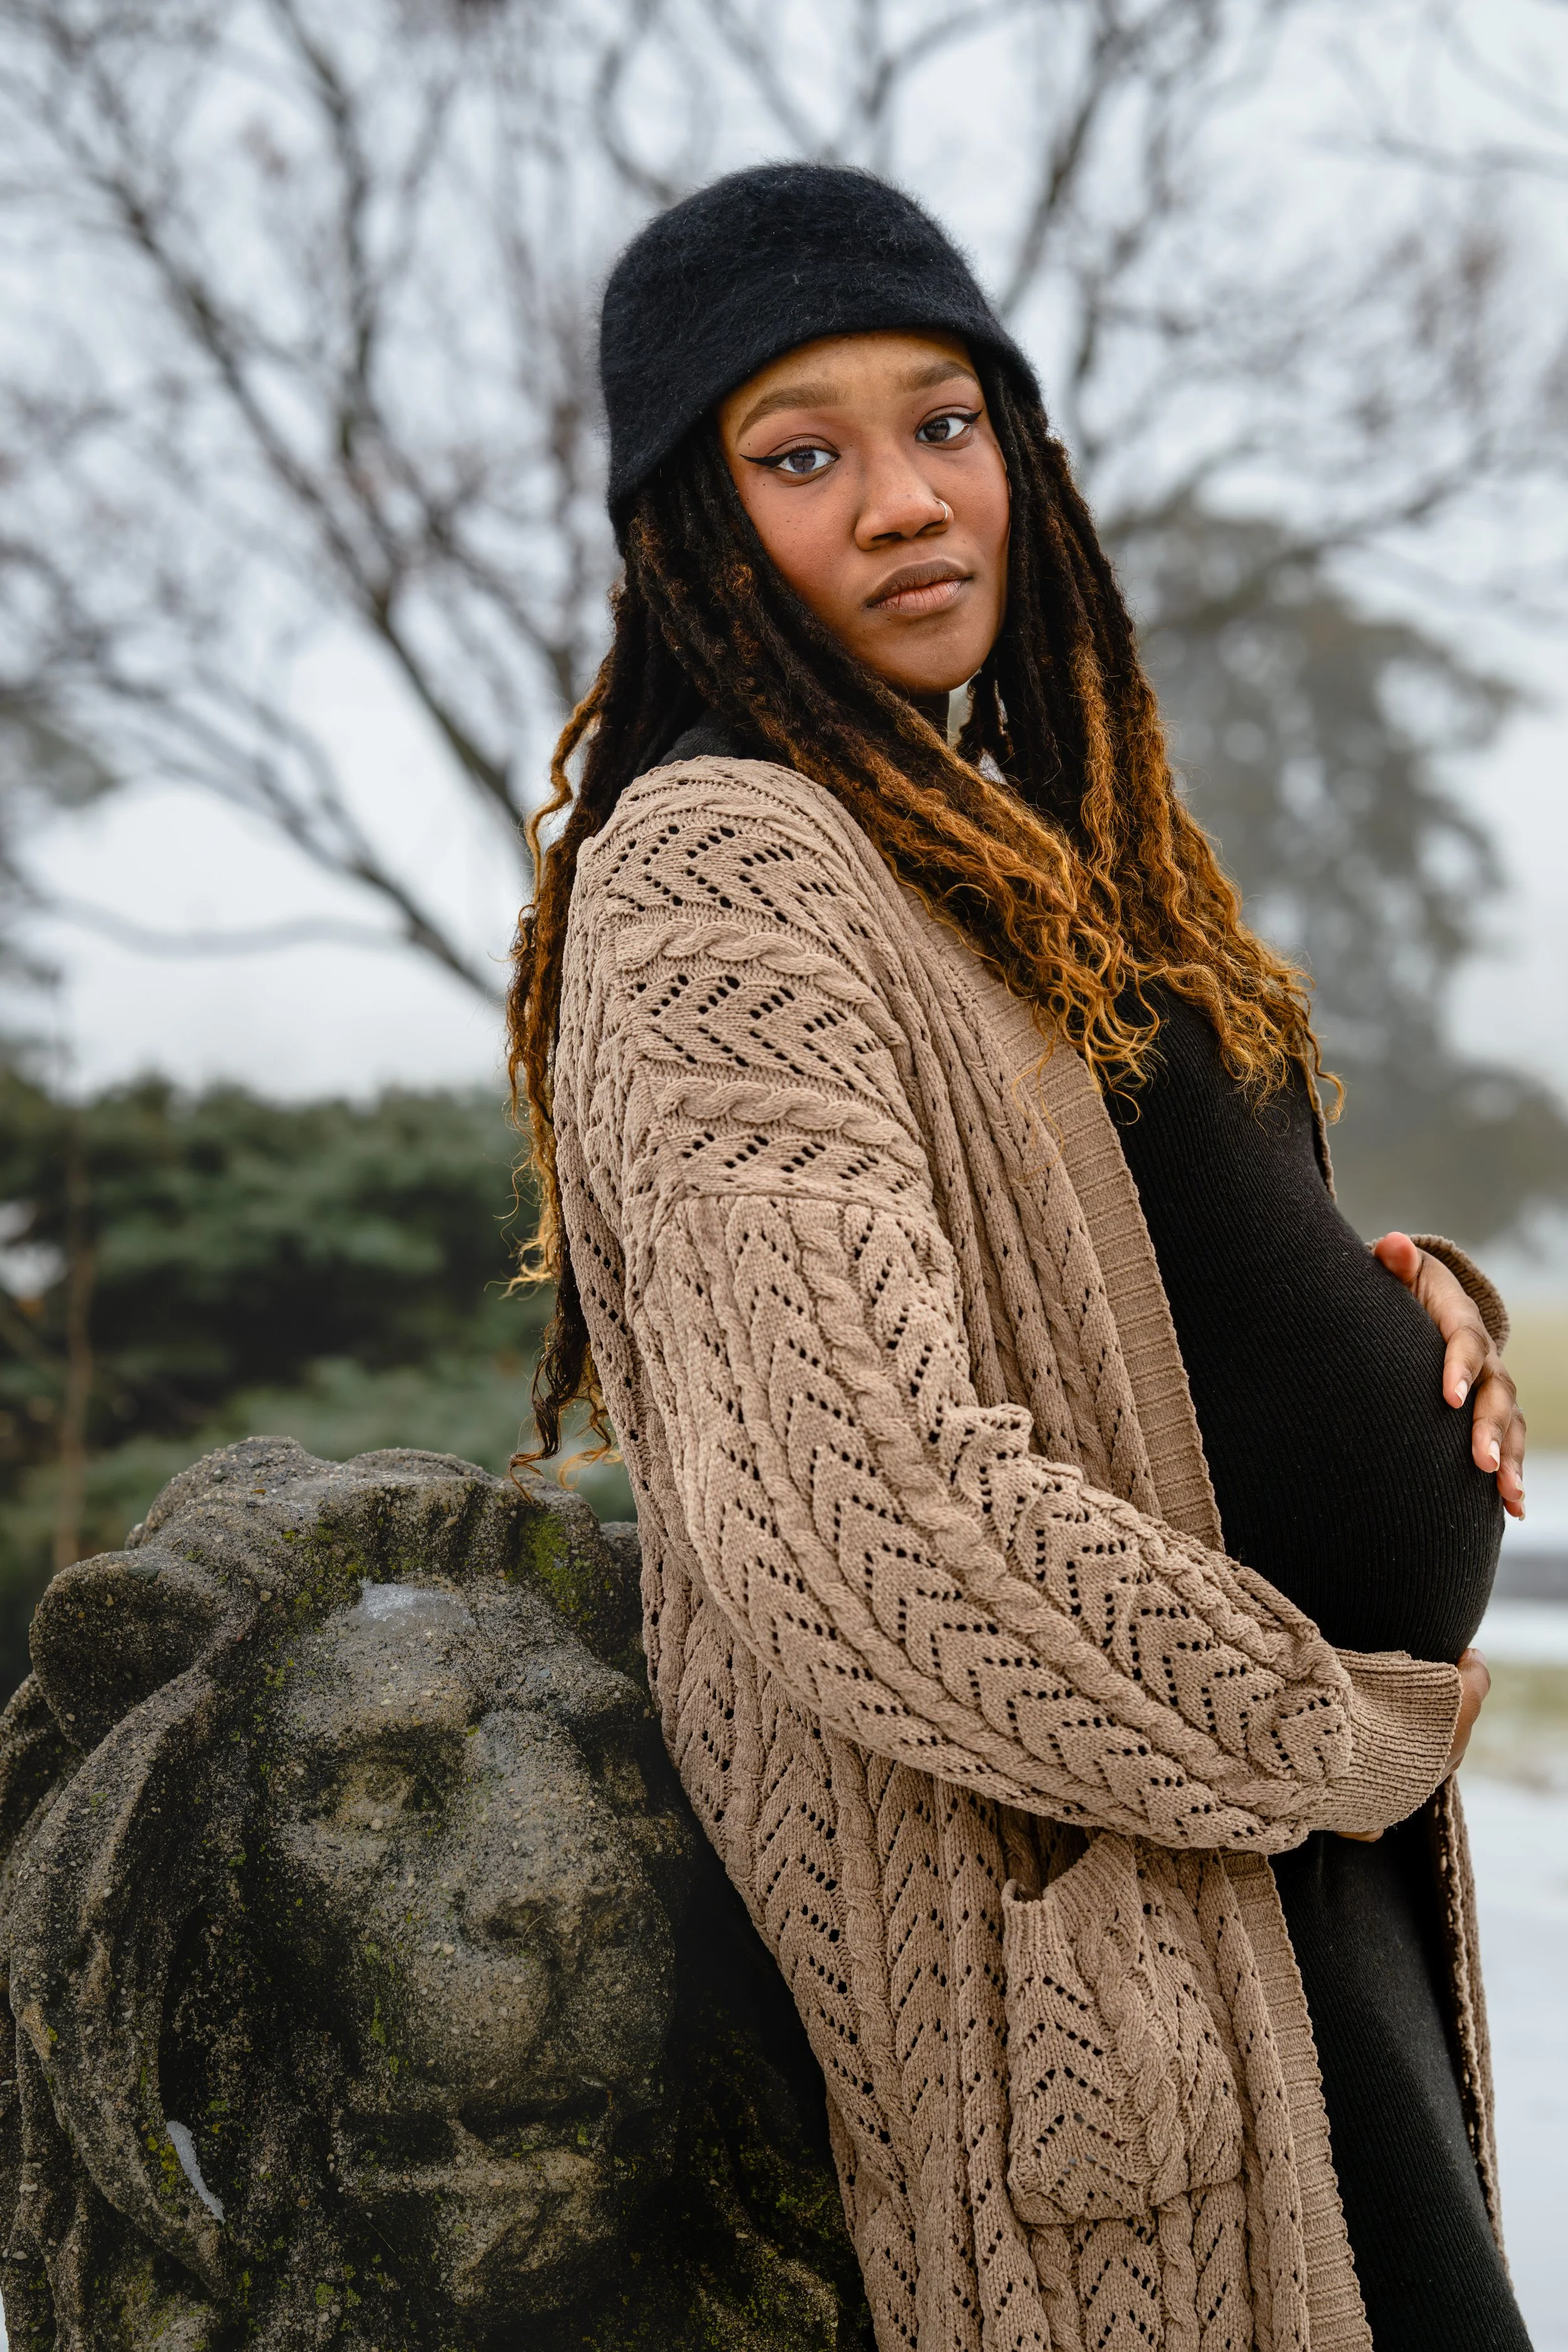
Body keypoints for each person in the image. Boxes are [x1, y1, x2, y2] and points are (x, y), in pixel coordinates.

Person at [508, 162, 1532, 2351]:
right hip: (1096, 1958)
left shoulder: (1021, 835)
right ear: (692, 528)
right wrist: (1332, 1727)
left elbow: (1138, 1260)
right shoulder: (723, 862)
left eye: (945, 424)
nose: (900, 501)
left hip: (1285, 1907)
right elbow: (854, 1517)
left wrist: (1407, 1302)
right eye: (803, 454)